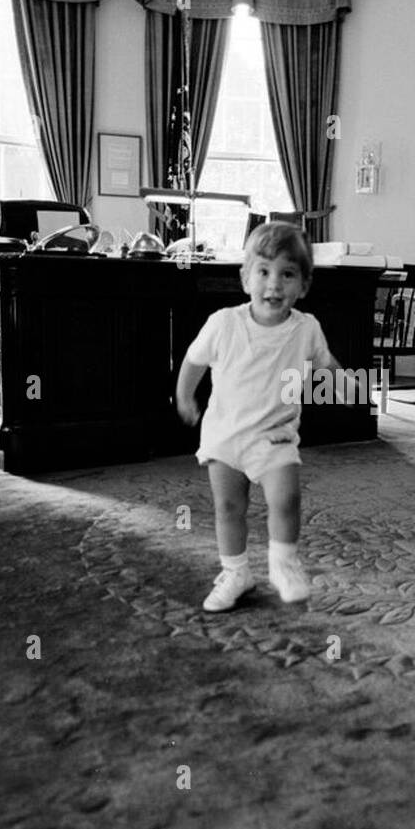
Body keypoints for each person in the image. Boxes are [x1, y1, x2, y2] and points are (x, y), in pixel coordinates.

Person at [175, 222, 339, 611]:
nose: (274, 285)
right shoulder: (223, 323)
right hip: (226, 436)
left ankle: (283, 563)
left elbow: (326, 364)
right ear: (245, 277)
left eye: (287, 274)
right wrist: (183, 396)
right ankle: (235, 571)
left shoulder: (307, 328)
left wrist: (347, 383)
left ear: (304, 284)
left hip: (275, 436)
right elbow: (194, 362)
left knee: (287, 499)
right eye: (263, 272)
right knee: (229, 508)